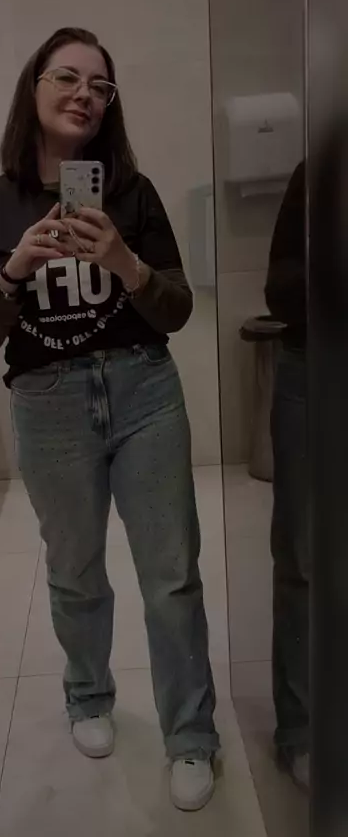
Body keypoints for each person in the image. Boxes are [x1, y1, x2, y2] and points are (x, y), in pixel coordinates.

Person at [0, 27, 219, 811]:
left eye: (100, 87)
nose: (85, 95)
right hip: (48, 403)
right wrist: (14, 271)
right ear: (33, 88)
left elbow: (177, 309)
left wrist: (124, 264)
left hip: (144, 390)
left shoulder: (131, 194)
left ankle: (191, 735)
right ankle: (88, 696)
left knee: (171, 574)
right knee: (75, 570)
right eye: (67, 78)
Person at [265, 161, 309, 790]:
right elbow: (279, 290)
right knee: (303, 559)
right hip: (316, 362)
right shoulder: (320, 171)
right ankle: (304, 728)